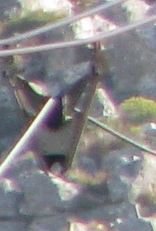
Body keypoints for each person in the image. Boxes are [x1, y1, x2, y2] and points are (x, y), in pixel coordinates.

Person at [6, 46, 107, 176]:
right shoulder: (64, 151)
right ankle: (11, 68)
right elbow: (82, 111)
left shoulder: (48, 146)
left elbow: (23, 105)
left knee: (31, 99)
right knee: (70, 99)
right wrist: (93, 77)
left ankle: (11, 67)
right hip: (53, 119)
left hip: (48, 119)